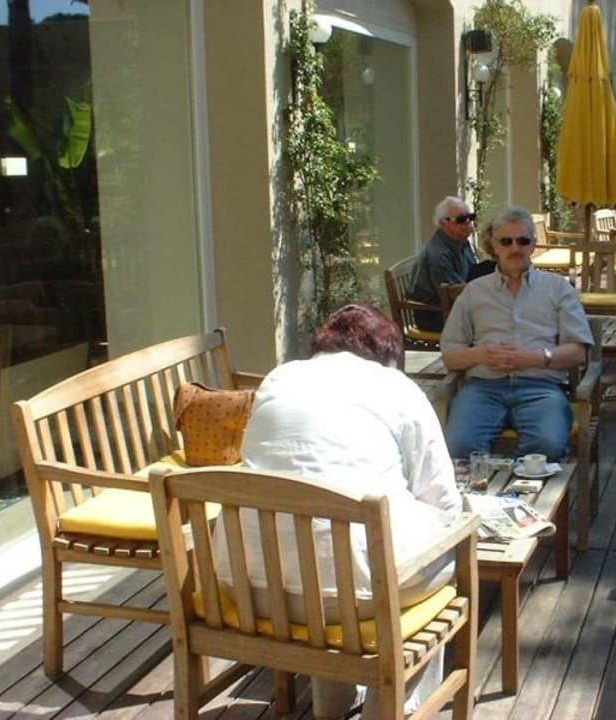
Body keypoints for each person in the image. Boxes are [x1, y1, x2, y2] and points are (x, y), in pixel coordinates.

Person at [213, 303, 461, 720]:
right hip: (352, 601)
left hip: (247, 588)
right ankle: (394, 707)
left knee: (328, 557)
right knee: (440, 554)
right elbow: (443, 501)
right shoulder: (395, 387)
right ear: (387, 352)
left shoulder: (280, 377)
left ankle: (331, 709)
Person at [440, 205, 594, 461]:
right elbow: (450, 356)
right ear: (494, 246)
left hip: (541, 388)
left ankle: (525, 496)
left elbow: (579, 351)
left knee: (547, 446)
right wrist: (481, 354)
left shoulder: (558, 289)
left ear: (533, 245)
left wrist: (533, 358)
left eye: (523, 241)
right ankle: (488, 499)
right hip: (483, 388)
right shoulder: (474, 292)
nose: (515, 248)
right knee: (459, 446)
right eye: (506, 241)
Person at [407, 196, 478, 331]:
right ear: (443, 224)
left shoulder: (461, 241)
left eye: (471, 217)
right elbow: (454, 293)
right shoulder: (439, 255)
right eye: (461, 219)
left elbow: (471, 277)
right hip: (436, 316)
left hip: (454, 308)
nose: (468, 222)